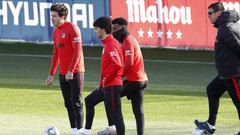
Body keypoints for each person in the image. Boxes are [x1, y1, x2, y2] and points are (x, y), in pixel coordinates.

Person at [194, 2, 240, 135]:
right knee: (212, 90)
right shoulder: (227, 26)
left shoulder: (226, 28)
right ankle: (210, 124)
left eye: (210, 13)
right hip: (226, 74)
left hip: (233, 74)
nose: (208, 17)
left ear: (219, 13)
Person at [97, 17, 148, 135]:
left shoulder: (128, 41)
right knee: (138, 111)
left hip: (133, 79)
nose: (113, 32)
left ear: (123, 28)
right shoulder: (129, 39)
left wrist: (118, 77)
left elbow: (129, 64)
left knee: (109, 96)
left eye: (115, 29)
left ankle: (113, 129)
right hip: (142, 79)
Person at [79, 17, 125, 135]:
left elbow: (117, 64)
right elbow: (107, 67)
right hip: (108, 85)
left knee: (117, 116)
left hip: (113, 85)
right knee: (89, 100)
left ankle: (107, 130)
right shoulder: (108, 43)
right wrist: (101, 83)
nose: (95, 31)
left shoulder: (110, 44)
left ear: (103, 30)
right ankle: (88, 131)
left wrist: (106, 80)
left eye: (96, 29)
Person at [45, 3, 85, 135]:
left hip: (75, 72)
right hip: (63, 73)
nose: (52, 18)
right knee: (68, 104)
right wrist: (51, 74)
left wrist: (71, 70)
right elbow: (56, 54)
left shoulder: (72, 28)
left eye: (54, 16)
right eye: (51, 16)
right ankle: (74, 131)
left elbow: (77, 51)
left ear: (62, 16)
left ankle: (80, 132)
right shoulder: (55, 32)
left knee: (77, 103)